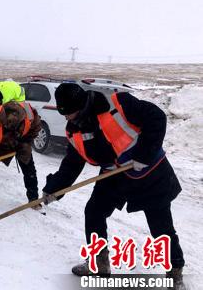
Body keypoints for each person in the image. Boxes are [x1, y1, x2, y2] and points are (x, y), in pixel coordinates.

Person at [41, 83, 184, 286]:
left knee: (161, 227)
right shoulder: (74, 130)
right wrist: (54, 188)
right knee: (94, 212)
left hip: (150, 172)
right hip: (114, 175)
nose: (66, 118)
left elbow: (156, 118)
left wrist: (143, 154)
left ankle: (175, 272)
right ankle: (99, 263)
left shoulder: (119, 104)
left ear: (81, 106)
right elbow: (72, 164)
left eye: (69, 113)